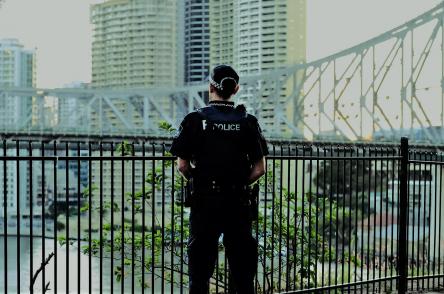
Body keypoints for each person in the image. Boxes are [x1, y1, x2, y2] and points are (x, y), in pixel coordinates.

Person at [170, 65, 268, 294]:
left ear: (210, 88)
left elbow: (182, 165)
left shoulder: (195, 120)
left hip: (205, 202)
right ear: (236, 89)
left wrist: (199, 180)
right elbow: (260, 169)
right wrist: (241, 183)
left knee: (199, 275)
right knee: (243, 275)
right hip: (239, 202)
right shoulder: (248, 121)